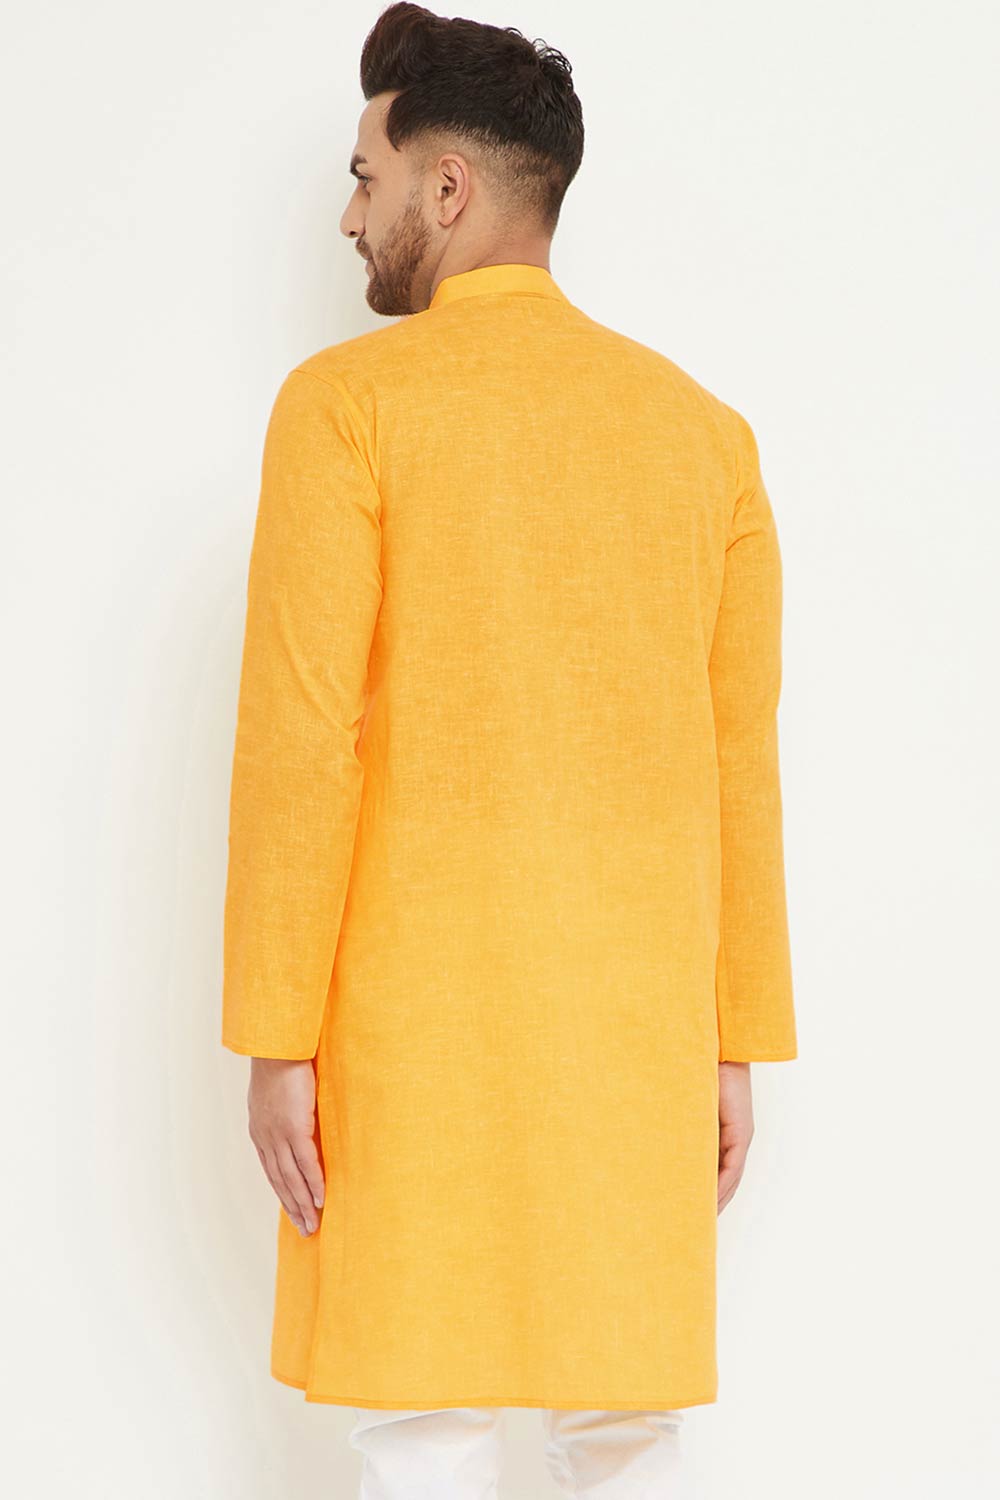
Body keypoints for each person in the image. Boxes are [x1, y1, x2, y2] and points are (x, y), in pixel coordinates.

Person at [221, 4, 798, 1496]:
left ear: (449, 186)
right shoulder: (705, 436)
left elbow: (302, 737)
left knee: (423, 1417)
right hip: (637, 1019)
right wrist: (730, 1041)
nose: (351, 216)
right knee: (624, 1425)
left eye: (366, 176)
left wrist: (278, 1038)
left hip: (412, 1019)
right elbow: (738, 762)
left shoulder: (347, 407)